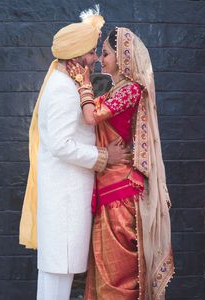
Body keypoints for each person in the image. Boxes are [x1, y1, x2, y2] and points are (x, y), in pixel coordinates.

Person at [19, 6, 130, 300]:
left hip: (66, 202)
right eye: (92, 53)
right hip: (64, 203)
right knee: (57, 280)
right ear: (77, 54)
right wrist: (104, 156)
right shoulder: (61, 89)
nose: (95, 58)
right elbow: (60, 144)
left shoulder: (68, 84)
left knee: (57, 279)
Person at [67, 27, 174, 299]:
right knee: (105, 271)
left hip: (120, 194)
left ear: (124, 57)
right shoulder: (118, 90)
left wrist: (83, 82)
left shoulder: (132, 90)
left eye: (106, 54)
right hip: (109, 188)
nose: (101, 59)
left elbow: (93, 117)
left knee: (117, 276)